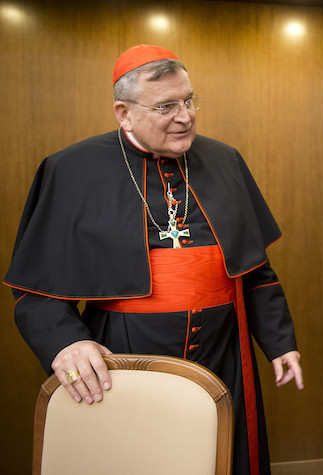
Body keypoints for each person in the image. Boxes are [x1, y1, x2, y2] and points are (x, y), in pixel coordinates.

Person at [4, 44, 302, 474]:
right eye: (166, 106)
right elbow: (34, 289)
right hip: (123, 357)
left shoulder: (224, 160)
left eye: (188, 100)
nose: (184, 115)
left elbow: (254, 270)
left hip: (224, 352)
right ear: (124, 112)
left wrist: (279, 342)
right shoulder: (70, 170)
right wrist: (65, 342)